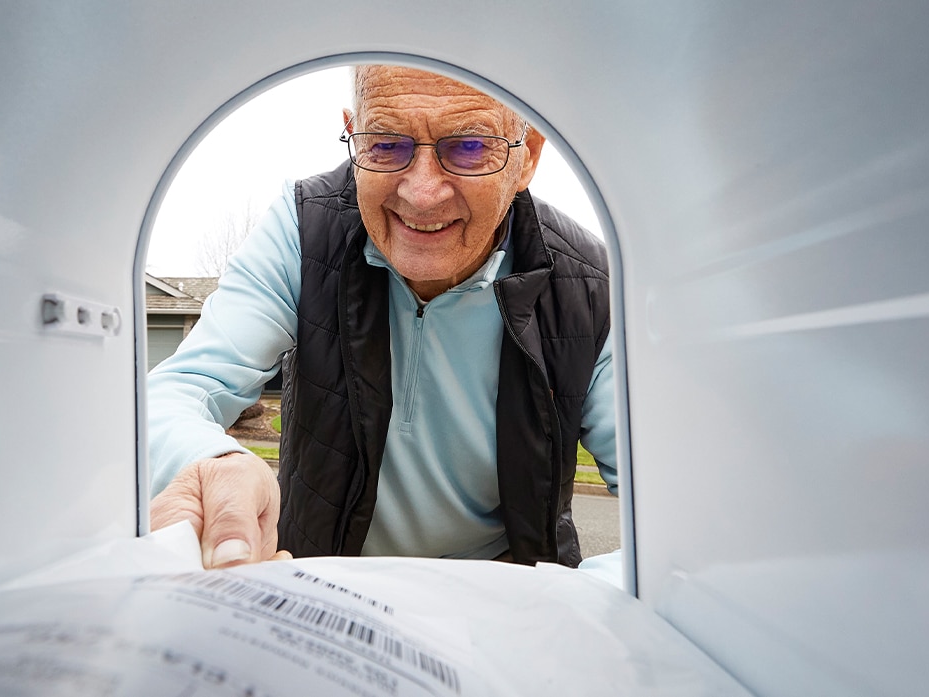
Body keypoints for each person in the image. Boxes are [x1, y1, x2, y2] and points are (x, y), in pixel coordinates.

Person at [147, 65, 616, 571]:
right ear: (353, 135)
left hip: (499, 591)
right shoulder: (303, 229)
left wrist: (582, 601)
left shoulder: (590, 284)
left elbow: (666, 501)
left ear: (527, 157)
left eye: (470, 147)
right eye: (386, 144)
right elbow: (180, 389)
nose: (422, 193)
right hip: (321, 580)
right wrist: (213, 463)